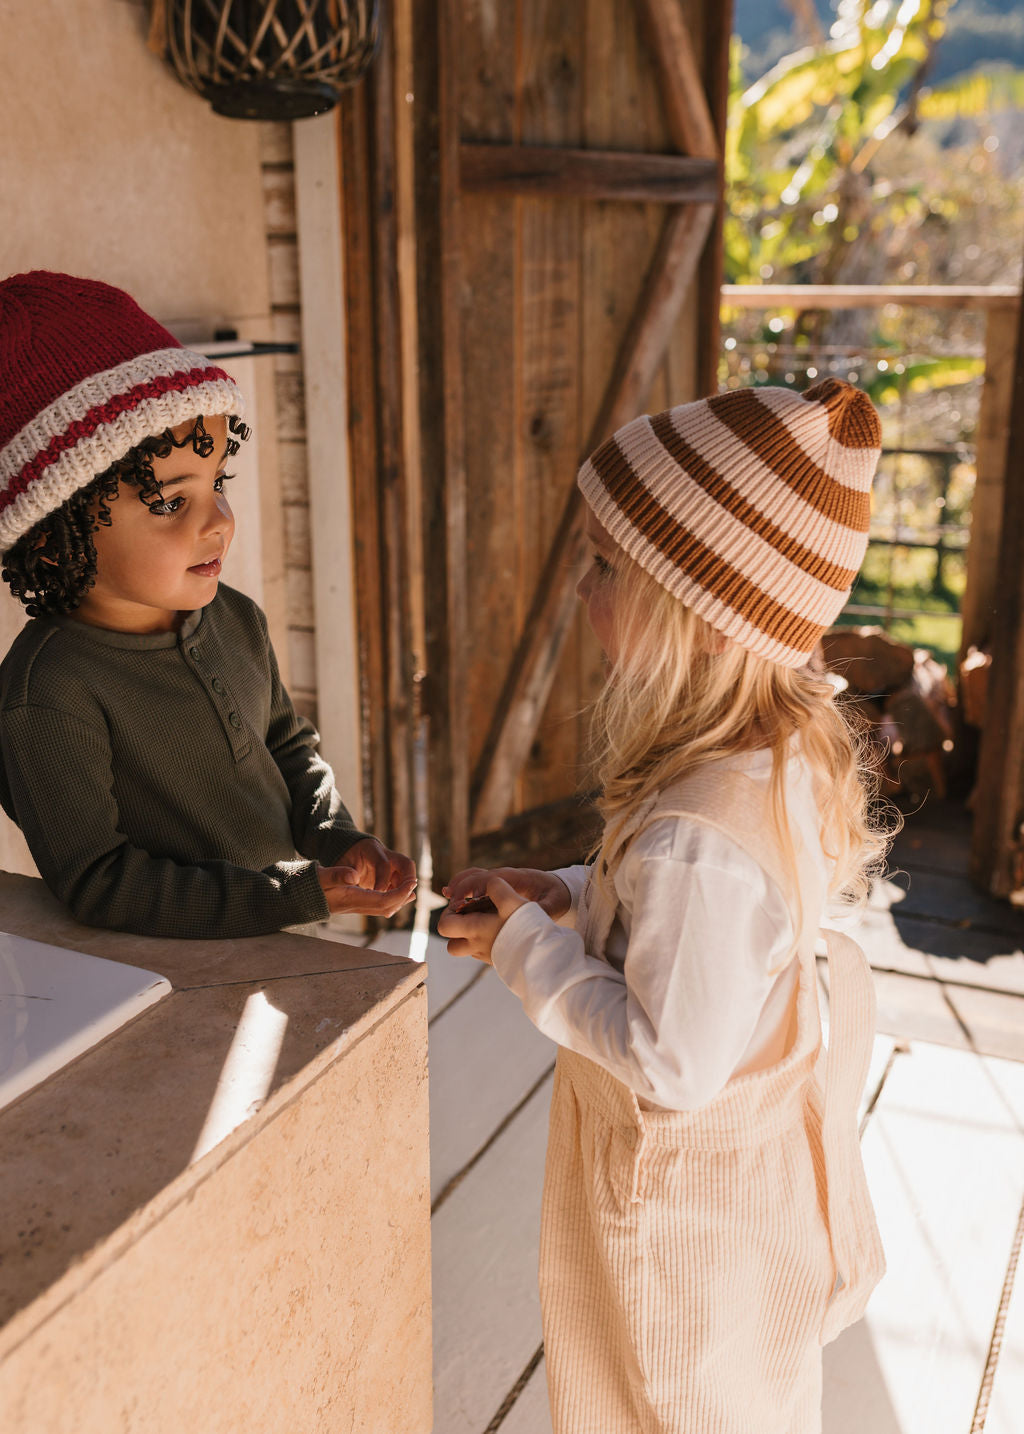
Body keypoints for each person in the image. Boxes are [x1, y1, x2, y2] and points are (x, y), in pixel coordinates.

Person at [439, 378, 891, 1434]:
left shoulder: (699, 841)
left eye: (606, 566)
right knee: (740, 1392)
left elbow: (671, 1061)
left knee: (655, 1397)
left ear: (712, 622)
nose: (578, 586)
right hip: (748, 1182)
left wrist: (526, 950)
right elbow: (693, 930)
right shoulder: (767, 753)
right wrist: (564, 893)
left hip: (678, 1206)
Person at [0, 270, 415, 938]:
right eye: (170, 502)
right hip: (182, 971)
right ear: (51, 537)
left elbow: (287, 745)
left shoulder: (235, 617)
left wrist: (339, 837)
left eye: (218, 481)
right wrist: (287, 895)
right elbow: (98, 881)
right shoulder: (48, 692)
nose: (220, 520)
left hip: (292, 937)